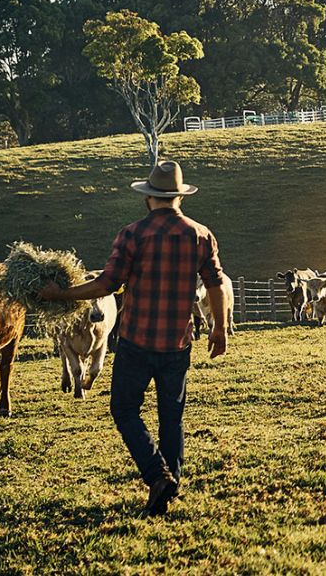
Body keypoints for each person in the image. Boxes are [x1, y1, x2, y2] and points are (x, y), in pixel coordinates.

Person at [41, 160, 229, 516]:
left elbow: (107, 284)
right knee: (171, 416)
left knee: (124, 409)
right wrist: (219, 328)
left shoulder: (132, 234)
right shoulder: (201, 235)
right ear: (179, 197)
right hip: (177, 341)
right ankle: (168, 486)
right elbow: (217, 283)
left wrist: (60, 295)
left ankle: (158, 477)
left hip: (137, 341)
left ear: (149, 198)